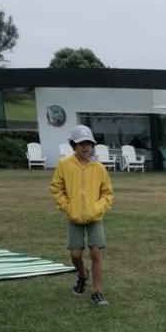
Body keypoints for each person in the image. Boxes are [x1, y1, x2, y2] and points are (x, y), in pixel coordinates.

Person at [50, 124, 114, 305]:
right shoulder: (64, 165)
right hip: (74, 217)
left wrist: (98, 208)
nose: (85, 147)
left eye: (89, 143)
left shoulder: (99, 168)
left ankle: (97, 291)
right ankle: (82, 275)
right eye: (81, 143)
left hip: (94, 217)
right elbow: (56, 188)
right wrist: (67, 206)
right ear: (74, 145)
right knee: (76, 255)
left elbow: (107, 193)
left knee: (95, 253)